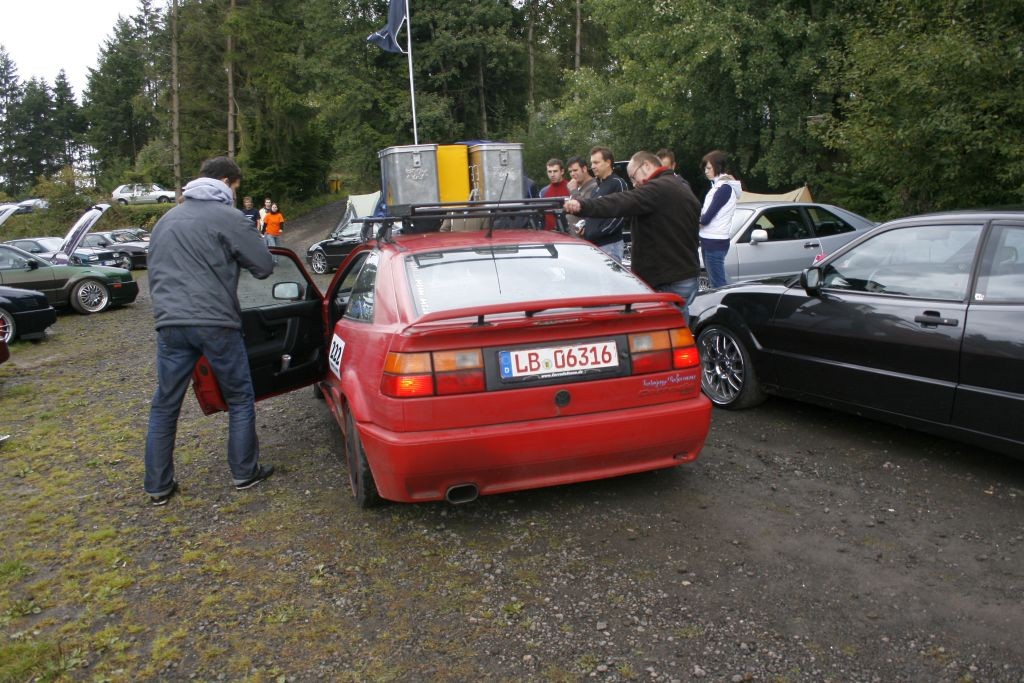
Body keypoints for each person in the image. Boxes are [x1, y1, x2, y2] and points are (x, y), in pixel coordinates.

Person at [144, 156, 275, 506]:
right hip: (216, 321)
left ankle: (158, 486)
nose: (236, 194)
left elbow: (153, 271)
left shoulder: (166, 221)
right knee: (240, 397)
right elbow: (264, 266)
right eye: (236, 187)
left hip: (170, 323)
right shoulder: (229, 217)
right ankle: (244, 472)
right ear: (226, 182)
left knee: (165, 404)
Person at [564, 150, 701, 326]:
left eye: (634, 177)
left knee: (660, 330)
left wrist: (582, 205)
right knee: (679, 326)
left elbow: (620, 202)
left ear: (647, 166)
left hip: (668, 278)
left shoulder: (657, 189)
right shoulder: (682, 186)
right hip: (687, 274)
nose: (635, 184)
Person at [698, 150, 742, 288]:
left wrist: (692, 222)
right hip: (709, 239)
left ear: (718, 167)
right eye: (705, 168)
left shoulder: (724, 188)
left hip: (714, 241)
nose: (706, 171)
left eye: (709, 168)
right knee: (717, 281)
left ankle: (730, 301)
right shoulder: (718, 186)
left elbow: (706, 218)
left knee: (718, 285)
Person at [581, 146, 628, 261]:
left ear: (608, 162)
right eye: (592, 163)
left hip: (610, 245)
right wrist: (585, 227)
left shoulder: (618, 183)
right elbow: (593, 214)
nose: (592, 166)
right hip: (594, 246)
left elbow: (621, 214)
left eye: (596, 162)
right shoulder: (597, 187)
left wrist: (598, 233)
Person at [565, 155, 597, 231]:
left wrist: (573, 190)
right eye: (570, 171)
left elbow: (584, 207)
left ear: (584, 169)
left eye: (575, 170)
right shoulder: (578, 186)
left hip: (585, 235)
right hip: (573, 234)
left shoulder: (594, 186)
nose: (572, 174)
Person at [539, 158, 570, 230]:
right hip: (548, 233)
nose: (552, 175)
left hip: (567, 232)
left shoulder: (571, 188)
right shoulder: (543, 192)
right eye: (549, 172)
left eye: (555, 171)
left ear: (562, 171)